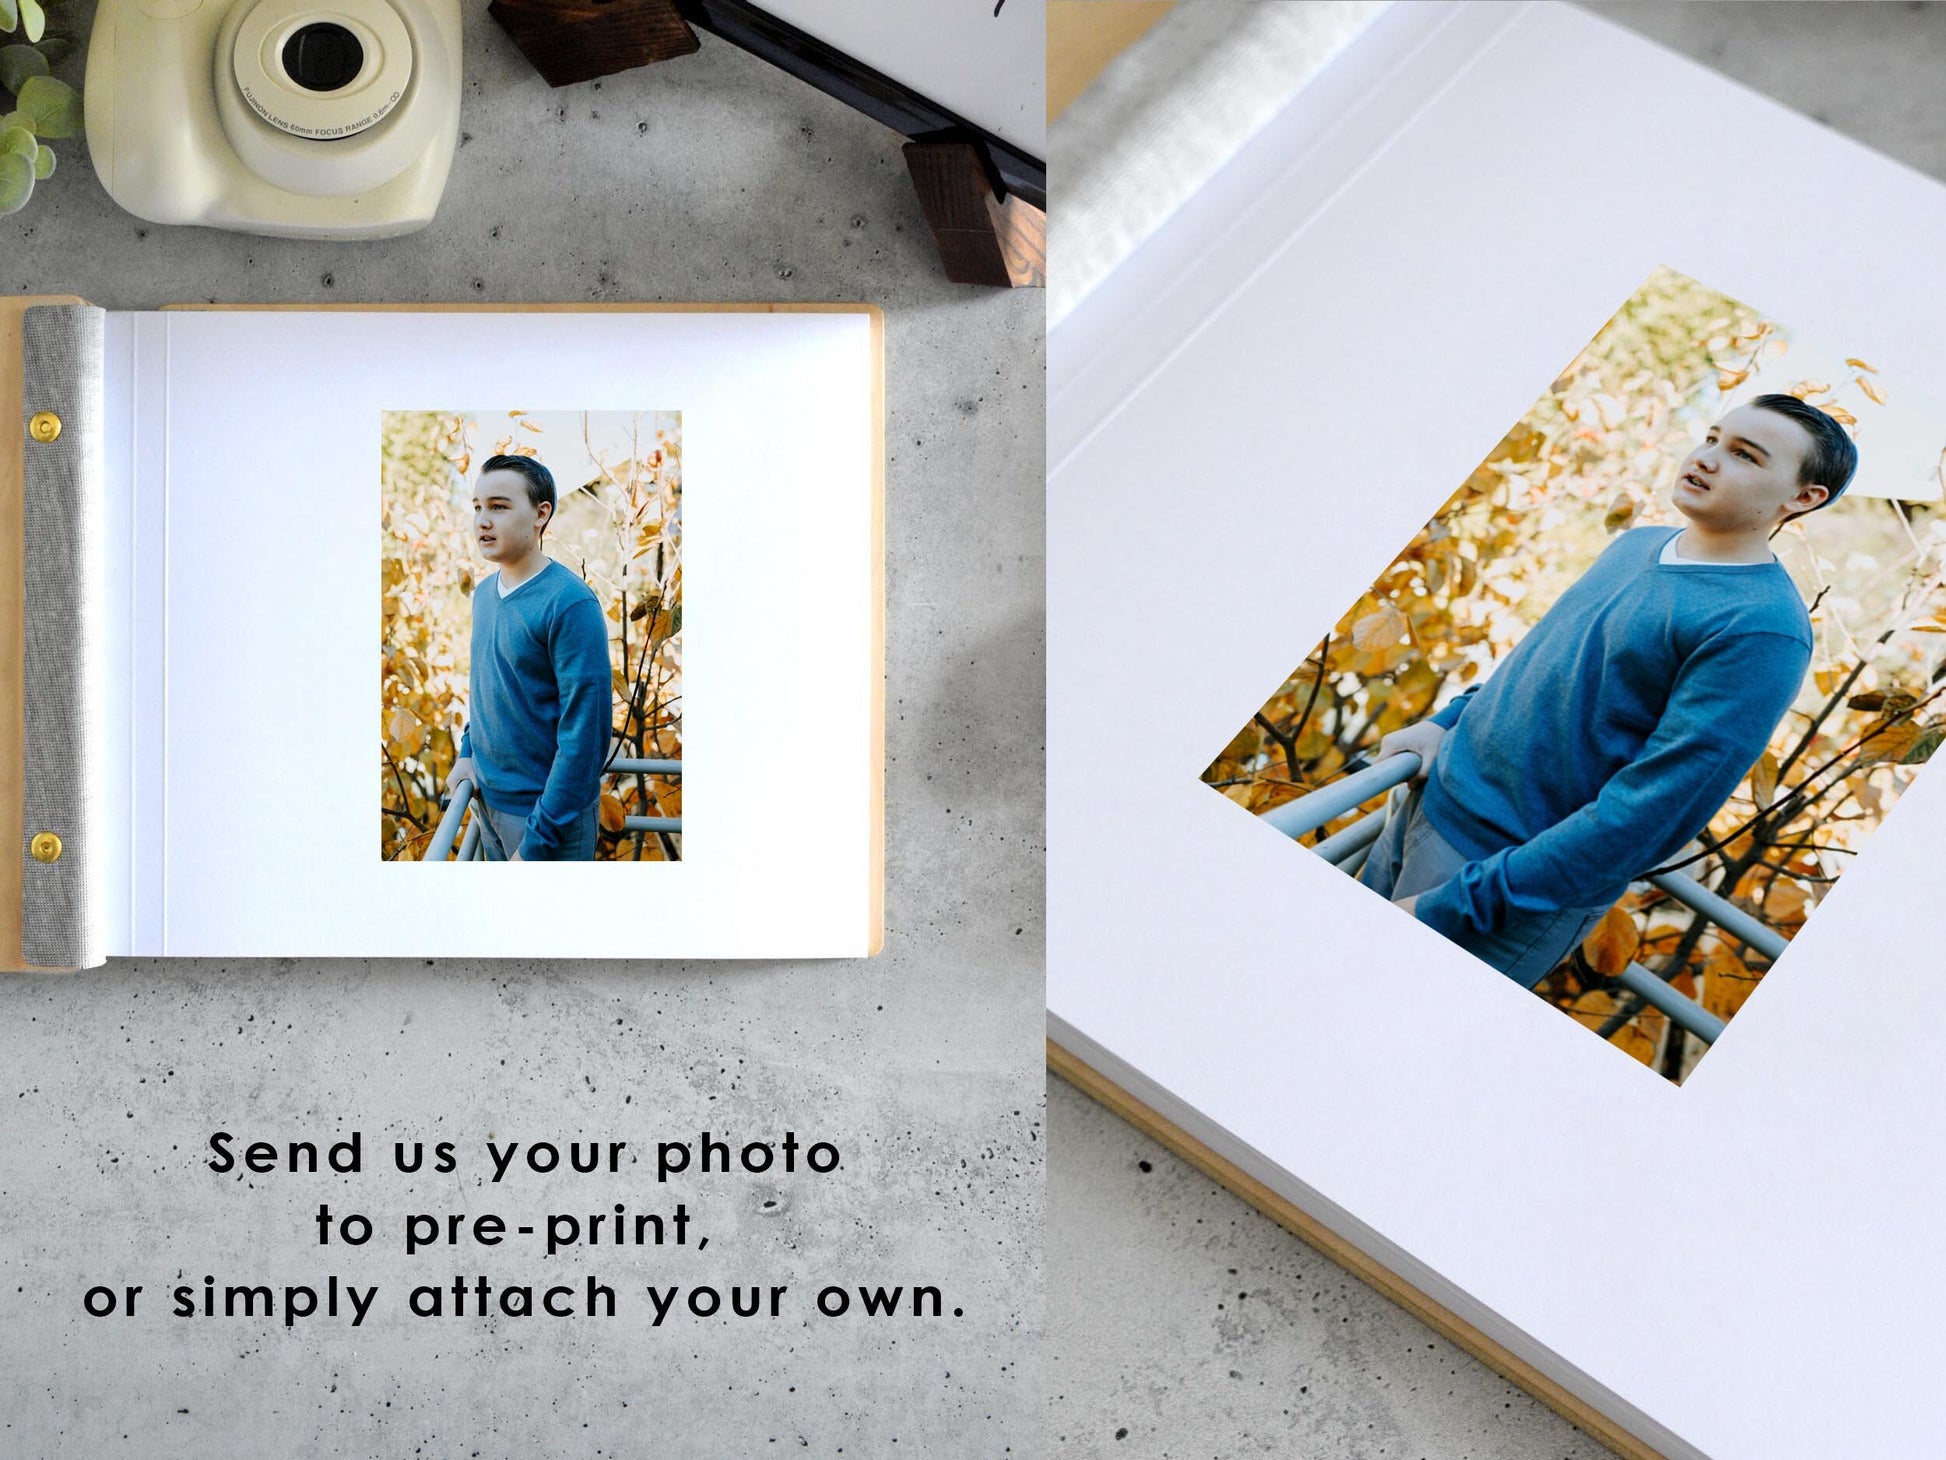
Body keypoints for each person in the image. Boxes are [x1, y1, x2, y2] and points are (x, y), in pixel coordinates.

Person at [1357, 393, 1858, 986]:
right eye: (1713, 438)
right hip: (1423, 807)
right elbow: (1541, 661)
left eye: (1745, 456)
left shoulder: (1762, 629)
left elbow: (1648, 815)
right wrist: (1444, 724)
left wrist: (1457, 906)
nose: (1707, 459)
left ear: (1802, 498)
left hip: (1496, 887)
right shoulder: (1636, 544)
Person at [445, 454, 612, 861]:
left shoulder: (570, 603)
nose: (482, 521)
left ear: (541, 514)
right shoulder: (484, 594)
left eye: (499, 507)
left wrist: (538, 839)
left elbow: (585, 737)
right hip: (487, 804)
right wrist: (468, 751)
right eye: (478, 507)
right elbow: (489, 687)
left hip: (548, 821)